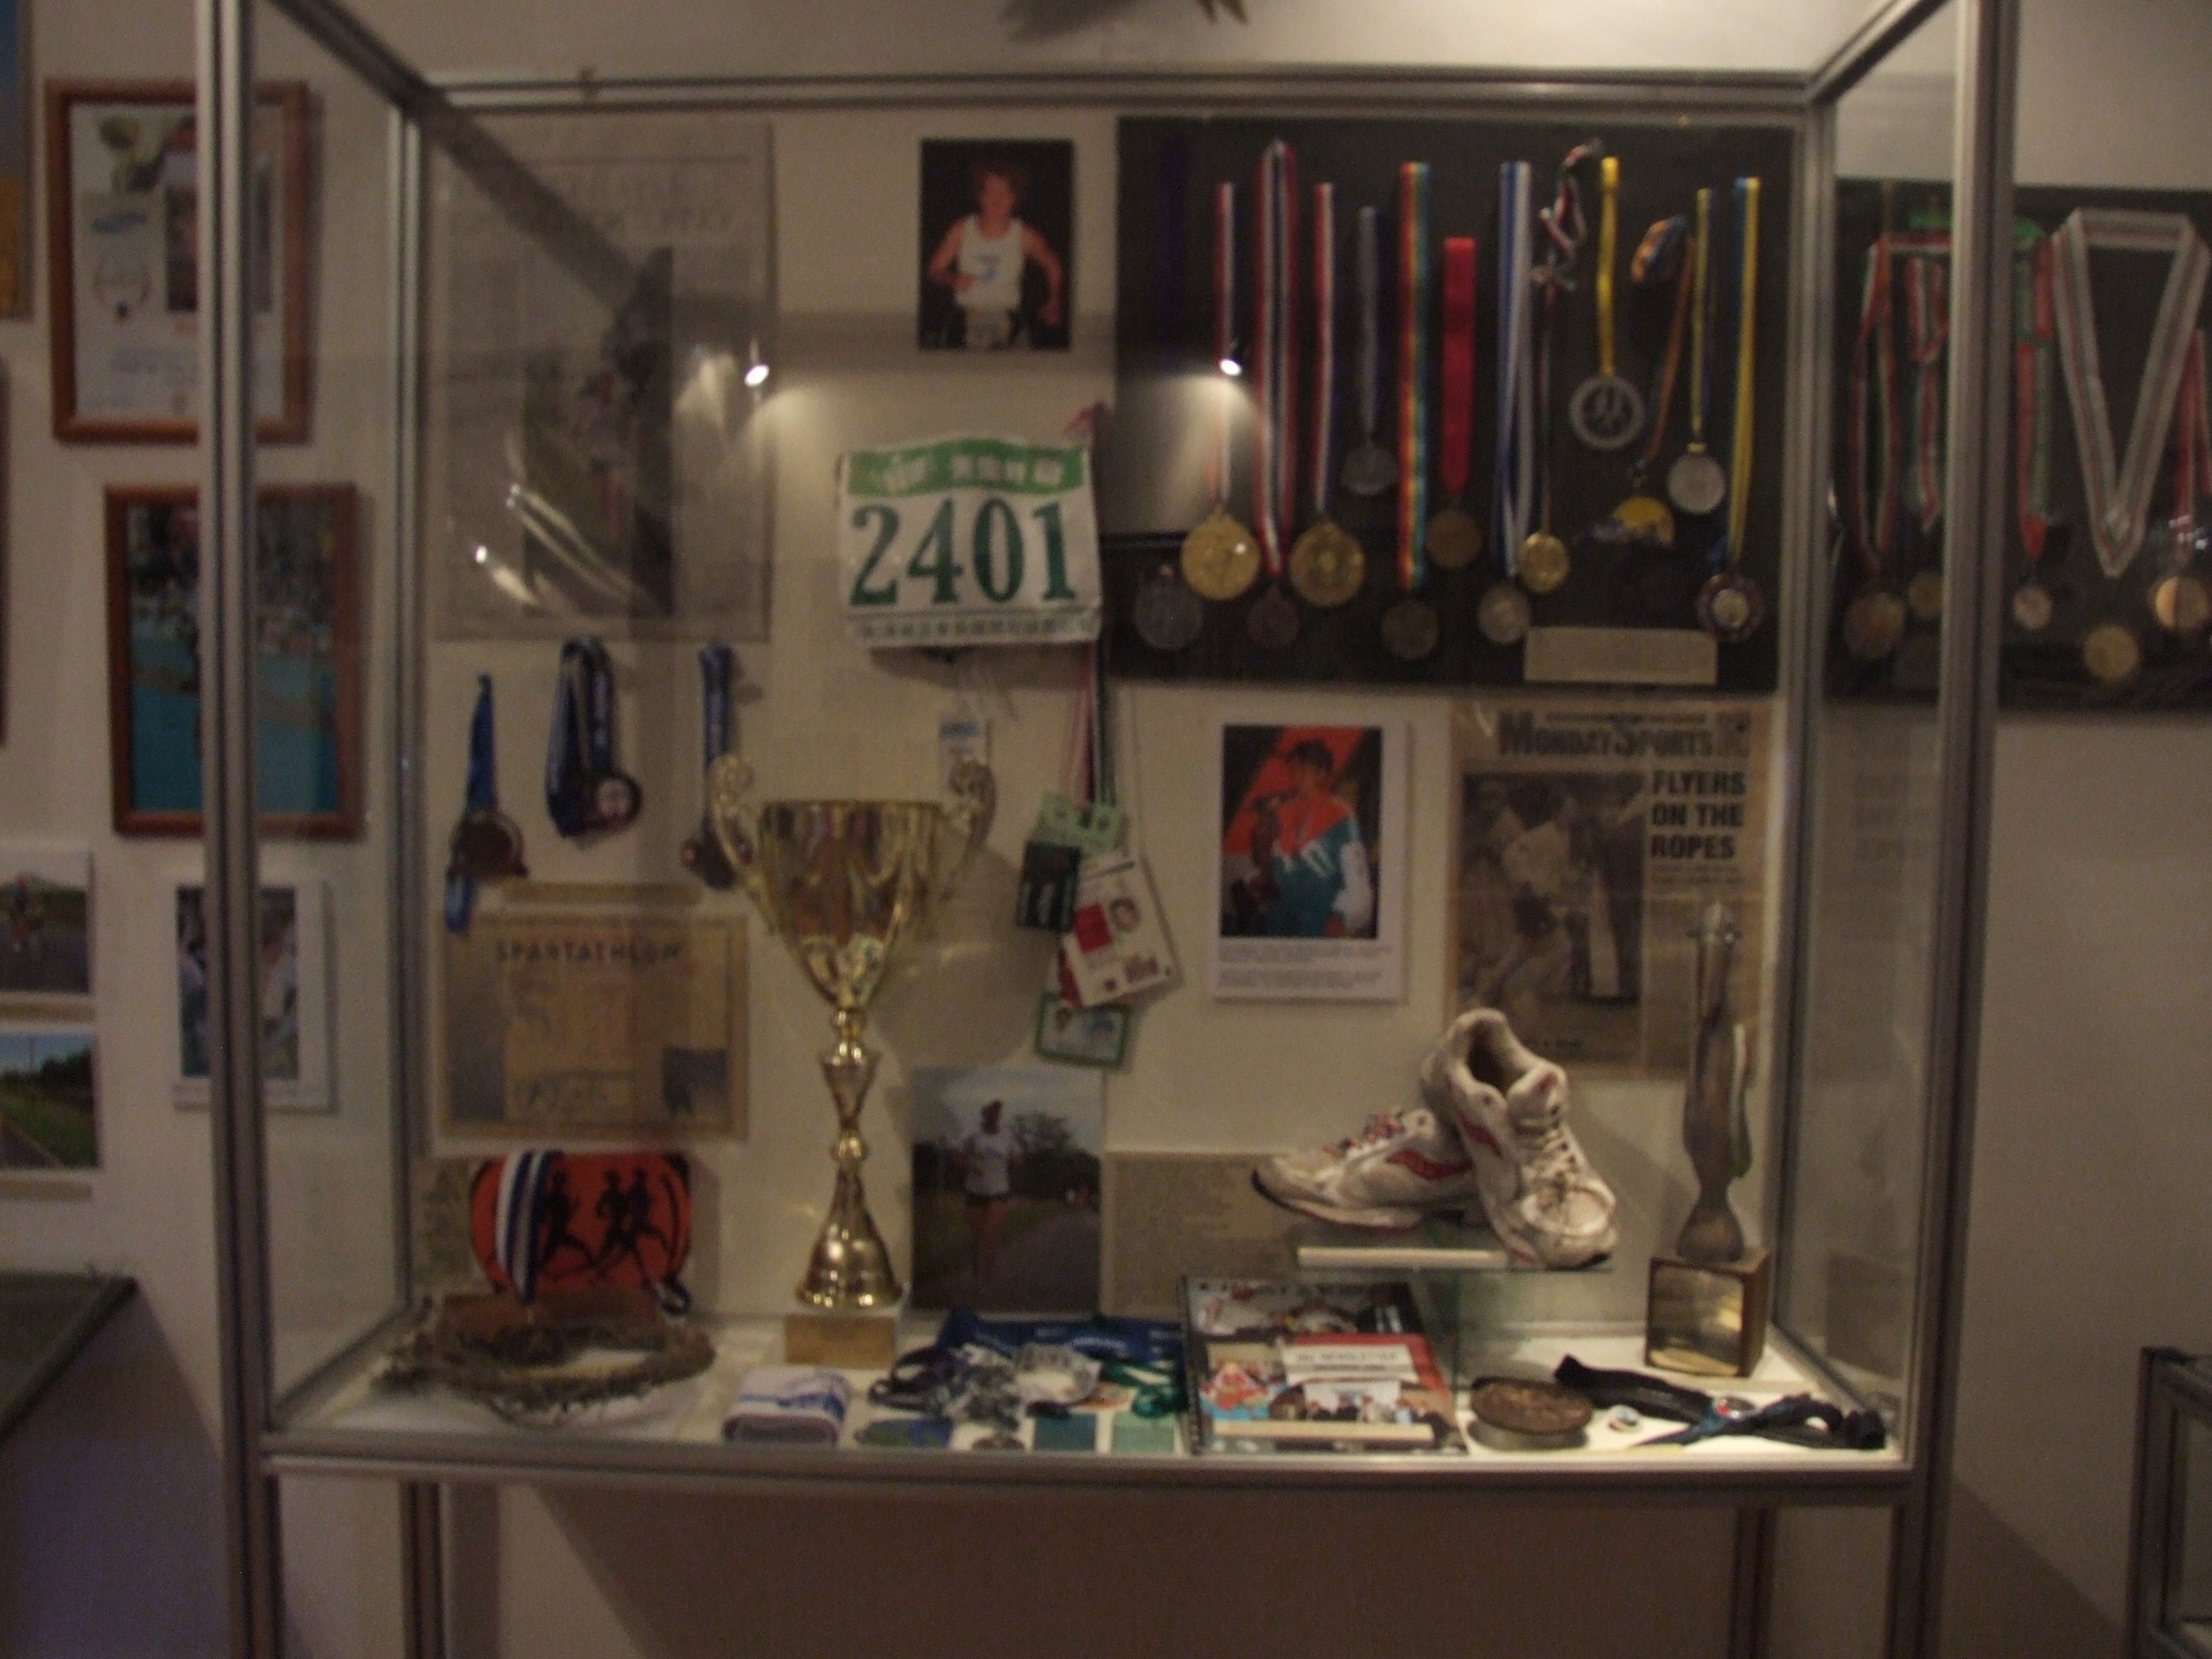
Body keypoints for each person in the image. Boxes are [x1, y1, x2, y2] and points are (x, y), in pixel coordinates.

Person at [1237, 740, 1376, 940]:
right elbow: (1271, 872)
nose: (1296, 775)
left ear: (1322, 774)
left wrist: (1340, 917)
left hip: (1320, 925)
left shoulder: (1341, 816)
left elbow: (1358, 883)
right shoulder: (1280, 812)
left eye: (1303, 768)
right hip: (1279, 924)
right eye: (1293, 769)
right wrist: (1258, 873)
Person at [926, 158, 1065, 350]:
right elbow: (934, 269)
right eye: (989, 192)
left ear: (1015, 198)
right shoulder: (961, 229)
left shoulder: (1024, 235)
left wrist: (1054, 300)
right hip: (965, 318)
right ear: (979, 195)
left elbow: (1052, 263)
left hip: (1009, 321)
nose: (996, 200)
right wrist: (951, 278)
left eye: (1004, 193)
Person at [953, 1099, 1022, 1284]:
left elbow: (1017, 1157)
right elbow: (957, 1156)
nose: (994, 1117)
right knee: (976, 1237)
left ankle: (988, 1277)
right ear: (985, 1115)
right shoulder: (972, 1135)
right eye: (991, 1113)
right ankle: (976, 1270)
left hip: (999, 1191)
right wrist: (971, 1165)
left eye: (997, 1114)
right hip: (975, 1190)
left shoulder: (1007, 1136)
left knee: (990, 1234)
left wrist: (1014, 1160)